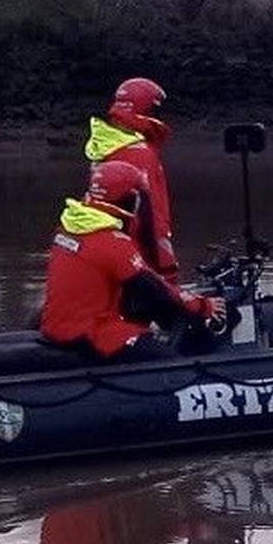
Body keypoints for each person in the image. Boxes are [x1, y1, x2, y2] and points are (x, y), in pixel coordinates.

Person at [40, 161, 225, 361]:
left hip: (58, 327)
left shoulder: (70, 227)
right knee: (170, 361)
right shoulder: (111, 241)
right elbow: (154, 289)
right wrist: (202, 306)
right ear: (130, 199)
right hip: (92, 333)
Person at [85, 77, 180, 282]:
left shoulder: (107, 146)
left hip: (110, 252)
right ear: (148, 110)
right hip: (138, 257)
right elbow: (150, 215)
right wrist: (166, 270)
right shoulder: (140, 153)